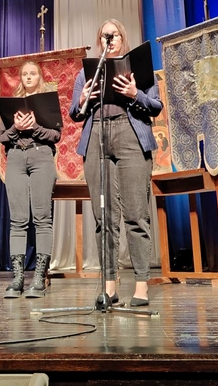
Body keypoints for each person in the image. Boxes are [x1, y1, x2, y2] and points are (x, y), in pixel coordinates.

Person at [70, 19, 163, 307]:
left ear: (122, 38)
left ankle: (141, 285)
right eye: (104, 35)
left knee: (136, 213)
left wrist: (135, 94)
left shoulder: (140, 69)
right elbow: (74, 113)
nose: (109, 39)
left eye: (114, 35)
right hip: (97, 136)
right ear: (100, 40)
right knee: (105, 218)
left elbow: (155, 106)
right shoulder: (86, 73)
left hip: (129, 133)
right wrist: (83, 100)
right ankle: (109, 286)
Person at [0, 61, 61, 298]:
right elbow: (2, 137)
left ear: (39, 77)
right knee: (17, 220)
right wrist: (16, 128)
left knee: (42, 218)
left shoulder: (47, 102)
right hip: (16, 158)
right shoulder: (12, 105)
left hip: (41, 156)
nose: (28, 77)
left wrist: (34, 127)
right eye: (24, 74)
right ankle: (17, 279)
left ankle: (38, 279)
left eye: (32, 73)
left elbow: (55, 135)